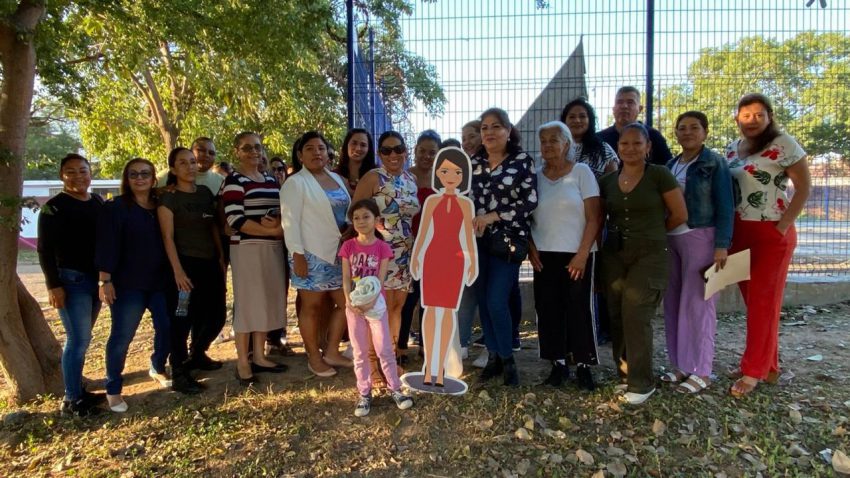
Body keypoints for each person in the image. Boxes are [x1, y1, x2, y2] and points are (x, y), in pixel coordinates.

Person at [725, 93, 811, 398]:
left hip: (771, 234)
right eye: (746, 115)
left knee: (764, 303)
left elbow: (804, 187)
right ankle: (768, 365)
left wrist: (782, 226)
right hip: (740, 232)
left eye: (759, 115)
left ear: (769, 116)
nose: (752, 121)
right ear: (737, 118)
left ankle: (753, 371)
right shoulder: (732, 148)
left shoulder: (784, 144)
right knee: (755, 303)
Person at [599, 122, 688, 405]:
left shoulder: (659, 175)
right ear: (617, 147)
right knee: (616, 313)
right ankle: (625, 373)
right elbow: (600, 218)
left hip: (650, 255)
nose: (630, 148)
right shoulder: (608, 181)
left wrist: (653, 233)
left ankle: (642, 383)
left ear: (648, 147)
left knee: (637, 313)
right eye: (624, 143)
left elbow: (679, 214)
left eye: (637, 143)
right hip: (615, 254)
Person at [660, 111, 734, 394]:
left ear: (705, 132)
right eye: (682, 128)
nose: (687, 132)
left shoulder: (714, 162)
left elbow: (725, 205)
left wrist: (721, 244)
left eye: (694, 127)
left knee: (699, 305)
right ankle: (680, 364)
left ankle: (701, 370)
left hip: (701, 236)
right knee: (674, 303)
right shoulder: (671, 164)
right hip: (672, 238)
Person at [528, 121, 602, 390]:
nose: (548, 145)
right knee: (548, 308)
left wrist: (582, 254)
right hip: (544, 254)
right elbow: (525, 217)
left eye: (554, 140)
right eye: (543, 140)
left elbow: (594, 217)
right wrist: (531, 248)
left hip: (577, 254)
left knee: (579, 308)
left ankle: (583, 364)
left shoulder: (582, 172)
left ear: (567, 143)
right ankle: (557, 363)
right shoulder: (535, 177)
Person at [96, 158, 172, 412]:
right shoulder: (115, 208)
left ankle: (157, 366)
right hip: (128, 285)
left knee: (167, 328)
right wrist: (105, 280)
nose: (140, 178)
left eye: (145, 174)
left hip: (160, 282)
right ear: (126, 179)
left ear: (153, 178)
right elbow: (106, 245)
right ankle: (113, 389)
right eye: (134, 174)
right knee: (122, 336)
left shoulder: (160, 205)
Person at [470, 107, 538, 386]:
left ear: (508, 131)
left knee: (497, 300)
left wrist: (493, 216)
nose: (489, 132)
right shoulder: (473, 163)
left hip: (508, 241)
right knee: (484, 301)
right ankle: (494, 357)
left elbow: (530, 201)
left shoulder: (522, 161)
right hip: (476, 242)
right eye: (484, 127)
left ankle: (509, 360)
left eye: (496, 126)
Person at [281, 131, 353, 377]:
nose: (317, 153)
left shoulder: (337, 179)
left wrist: (349, 227)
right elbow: (289, 222)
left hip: (338, 254)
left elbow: (346, 211)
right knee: (311, 307)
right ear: (300, 155)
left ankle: (331, 351)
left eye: (321, 148)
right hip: (310, 254)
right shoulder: (295, 183)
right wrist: (297, 255)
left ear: (328, 153)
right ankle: (314, 357)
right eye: (310, 149)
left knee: (348, 304)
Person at [38, 153, 105, 416]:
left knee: (84, 338)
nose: (78, 176)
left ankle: (78, 390)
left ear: (90, 173)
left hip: (96, 281)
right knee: (77, 339)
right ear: (61, 176)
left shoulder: (97, 202)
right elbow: (44, 250)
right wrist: (53, 285)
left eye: (83, 170)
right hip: (71, 281)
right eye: (71, 171)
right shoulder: (54, 207)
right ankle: (71, 400)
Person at [353, 131, 421, 388]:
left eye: (398, 148)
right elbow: (355, 213)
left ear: (405, 150)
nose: (393, 154)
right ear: (379, 154)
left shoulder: (411, 179)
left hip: (404, 252)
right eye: (386, 150)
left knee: (396, 308)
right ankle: (372, 365)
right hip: (377, 253)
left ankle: (388, 361)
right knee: (376, 310)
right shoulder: (373, 177)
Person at [222, 132, 288, 387]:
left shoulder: (270, 179)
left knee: (265, 302)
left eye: (257, 147)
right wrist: (272, 231)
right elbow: (235, 219)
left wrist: (277, 225)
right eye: (247, 148)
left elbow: (282, 210)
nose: (254, 152)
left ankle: (260, 356)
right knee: (248, 304)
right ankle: (243, 362)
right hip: (246, 248)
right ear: (237, 152)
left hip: (272, 248)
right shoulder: (234, 181)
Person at [158, 147, 226, 394]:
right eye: (183, 163)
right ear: (173, 169)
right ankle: (178, 371)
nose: (190, 167)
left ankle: (197, 353)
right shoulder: (169, 198)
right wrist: (177, 271)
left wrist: (220, 256)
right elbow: (167, 237)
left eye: (192, 162)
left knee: (216, 315)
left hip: (210, 263)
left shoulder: (205, 192)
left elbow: (213, 226)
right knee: (181, 319)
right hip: (184, 265)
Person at [410, 147, 478, 387]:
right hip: (432, 259)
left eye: (457, 172)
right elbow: (423, 232)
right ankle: (430, 367)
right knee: (430, 311)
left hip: (455, 261)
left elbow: (468, 237)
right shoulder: (431, 201)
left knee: (448, 312)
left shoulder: (466, 204)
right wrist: (416, 257)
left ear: (464, 176)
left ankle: (441, 370)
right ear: (438, 173)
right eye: (445, 171)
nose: (451, 176)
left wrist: (472, 262)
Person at [340, 199, 415, 416]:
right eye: (356, 218)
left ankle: (395, 389)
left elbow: (380, 280)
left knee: (384, 349)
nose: (361, 221)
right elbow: (346, 278)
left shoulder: (382, 248)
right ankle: (364, 393)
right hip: (354, 308)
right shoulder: (348, 246)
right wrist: (349, 302)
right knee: (360, 351)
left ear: (377, 220)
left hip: (376, 306)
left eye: (366, 217)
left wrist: (371, 301)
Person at [399, 129, 441, 362]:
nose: (426, 156)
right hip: (408, 245)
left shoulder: (443, 178)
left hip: (434, 247)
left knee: (428, 299)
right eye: (422, 151)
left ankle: (426, 345)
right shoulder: (405, 176)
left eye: (432, 152)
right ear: (414, 151)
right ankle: (401, 345)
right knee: (408, 298)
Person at [598, 86, 673, 166]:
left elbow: (669, 166)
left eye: (630, 102)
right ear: (613, 109)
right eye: (619, 102)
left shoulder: (653, 136)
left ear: (640, 109)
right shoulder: (600, 139)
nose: (624, 106)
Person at [560, 97, 619, 179]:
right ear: (564, 121)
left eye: (582, 116)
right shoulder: (557, 147)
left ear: (590, 120)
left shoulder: (604, 150)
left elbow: (612, 182)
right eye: (572, 117)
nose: (577, 120)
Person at [157, 137, 224, 194]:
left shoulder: (221, 181)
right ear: (190, 151)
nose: (206, 155)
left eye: (211, 153)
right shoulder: (166, 175)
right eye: (201, 150)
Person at [335, 128, 377, 196]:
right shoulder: (334, 175)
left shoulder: (376, 175)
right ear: (346, 145)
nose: (358, 148)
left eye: (363, 145)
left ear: (368, 149)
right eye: (354, 143)